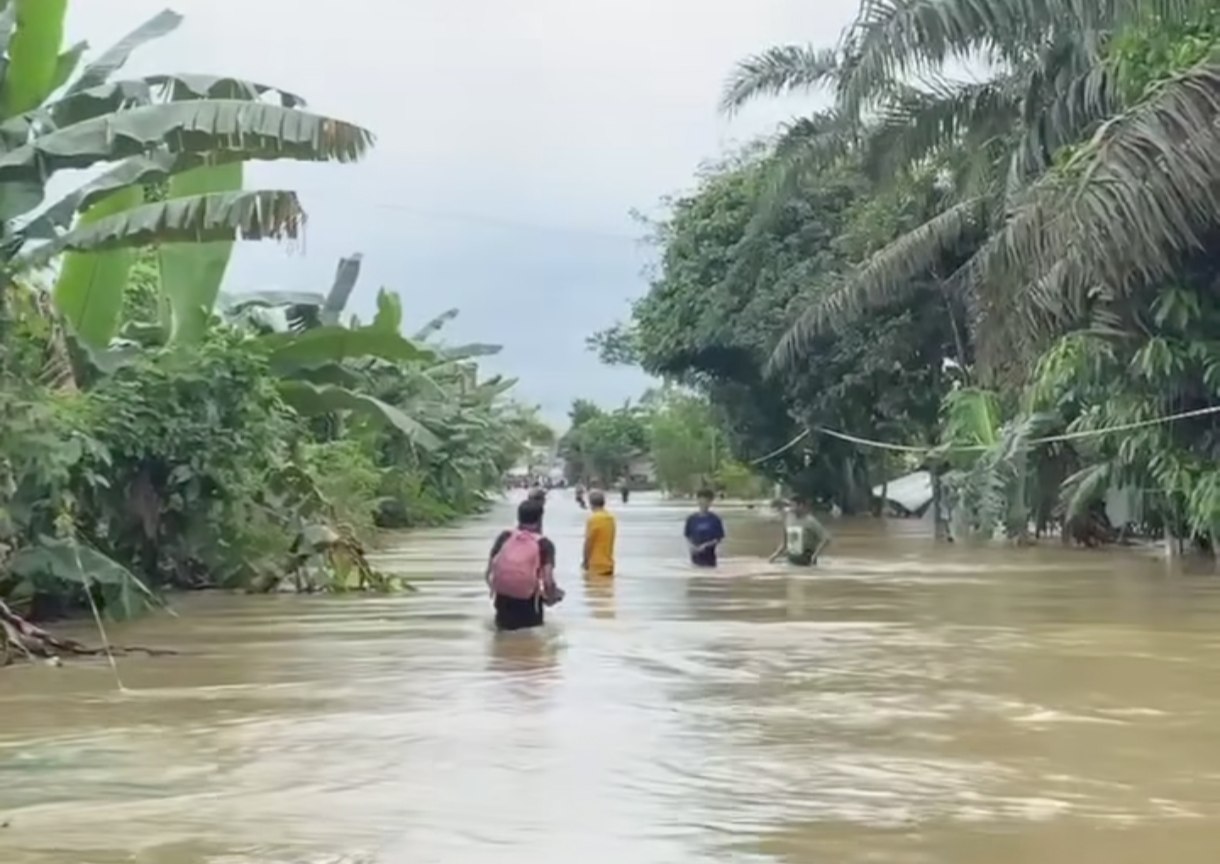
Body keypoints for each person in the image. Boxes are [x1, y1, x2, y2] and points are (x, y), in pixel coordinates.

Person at [486, 499, 563, 631]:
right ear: (540, 519)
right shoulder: (544, 544)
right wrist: (552, 596)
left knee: (502, 641)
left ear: (518, 517)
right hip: (529, 604)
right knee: (530, 644)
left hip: (502, 601)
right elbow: (548, 580)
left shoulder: (505, 537)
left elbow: (489, 572)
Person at [769, 497, 830, 566]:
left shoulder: (811, 522)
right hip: (791, 559)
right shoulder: (788, 519)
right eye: (790, 505)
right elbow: (785, 543)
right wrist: (774, 556)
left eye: (793, 506)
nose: (791, 508)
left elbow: (826, 539)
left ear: (801, 506)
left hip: (806, 560)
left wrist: (815, 555)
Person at [684, 488, 726, 567]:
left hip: (709, 556)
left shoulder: (715, 519)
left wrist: (705, 546)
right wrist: (692, 546)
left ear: (710, 502)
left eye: (706, 501)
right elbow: (687, 536)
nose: (703, 504)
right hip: (695, 554)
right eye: (701, 501)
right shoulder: (691, 519)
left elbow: (718, 538)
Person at [582, 489, 617, 577]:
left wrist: (585, 561)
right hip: (609, 564)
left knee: (594, 590)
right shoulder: (610, 519)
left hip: (596, 565)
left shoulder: (593, 519)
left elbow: (588, 542)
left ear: (590, 503)